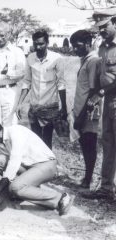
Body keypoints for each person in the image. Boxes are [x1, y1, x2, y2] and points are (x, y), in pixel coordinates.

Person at [0, 118, 74, 216]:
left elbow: (14, 164)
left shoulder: (16, 132)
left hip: (46, 165)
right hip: (30, 168)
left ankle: (61, 198)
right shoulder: (0, 142)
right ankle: (33, 192)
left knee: (15, 188)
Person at [83, 9, 116, 200]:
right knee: (108, 144)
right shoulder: (103, 47)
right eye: (99, 28)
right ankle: (106, 189)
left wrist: (102, 92)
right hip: (109, 103)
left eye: (105, 27)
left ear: (114, 23)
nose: (101, 31)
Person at [17, 29, 67, 149]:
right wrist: (19, 104)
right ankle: (39, 164)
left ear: (47, 43)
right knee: (36, 139)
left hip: (50, 107)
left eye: (41, 44)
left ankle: (49, 164)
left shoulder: (57, 59)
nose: (38, 47)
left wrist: (64, 107)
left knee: (47, 140)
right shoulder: (30, 58)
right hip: (34, 107)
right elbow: (27, 82)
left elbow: (61, 84)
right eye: (36, 44)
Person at [70, 30, 102, 189]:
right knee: (84, 143)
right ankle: (86, 178)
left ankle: (88, 179)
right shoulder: (86, 60)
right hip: (81, 111)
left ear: (88, 44)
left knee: (89, 143)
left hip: (88, 112)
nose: (75, 50)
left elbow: (93, 90)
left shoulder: (93, 61)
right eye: (73, 47)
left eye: (78, 46)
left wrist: (81, 115)